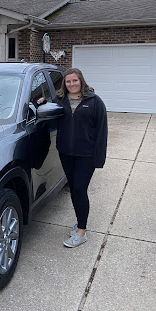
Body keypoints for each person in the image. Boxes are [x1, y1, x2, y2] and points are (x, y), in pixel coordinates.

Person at [54, 68, 107, 248]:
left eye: (75, 81)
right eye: (68, 82)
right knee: (75, 190)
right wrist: (39, 104)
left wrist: (99, 158)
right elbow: (51, 119)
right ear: (65, 84)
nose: (72, 84)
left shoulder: (94, 101)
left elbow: (102, 132)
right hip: (66, 153)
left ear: (81, 81)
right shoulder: (59, 101)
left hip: (87, 155)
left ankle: (82, 232)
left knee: (79, 188)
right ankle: (79, 224)